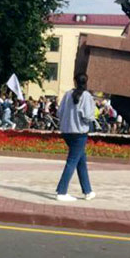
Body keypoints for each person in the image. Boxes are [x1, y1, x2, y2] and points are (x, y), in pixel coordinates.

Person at [56, 73, 96, 202]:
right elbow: (89, 116)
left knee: (81, 161)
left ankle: (87, 191)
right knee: (72, 161)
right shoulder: (87, 96)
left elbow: (59, 112)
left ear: (74, 81)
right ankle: (61, 191)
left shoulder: (67, 94)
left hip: (67, 132)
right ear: (86, 82)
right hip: (79, 133)